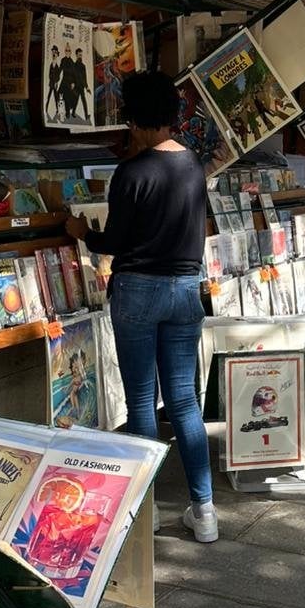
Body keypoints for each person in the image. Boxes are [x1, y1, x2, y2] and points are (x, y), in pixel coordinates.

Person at [65, 70, 217, 543]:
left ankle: (143, 511)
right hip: (185, 290)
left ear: (135, 118)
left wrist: (82, 233)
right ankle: (205, 511)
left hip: (137, 291)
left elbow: (114, 241)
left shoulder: (131, 173)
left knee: (141, 402)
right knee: (184, 401)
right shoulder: (193, 166)